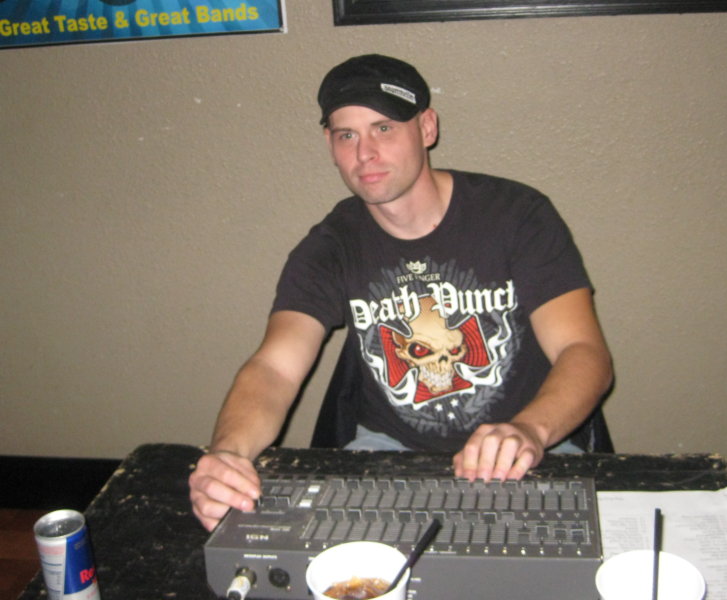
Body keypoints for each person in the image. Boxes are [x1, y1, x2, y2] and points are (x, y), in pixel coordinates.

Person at [189, 54, 613, 532]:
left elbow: (584, 352)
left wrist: (529, 429)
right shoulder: (331, 246)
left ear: (427, 127)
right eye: (346, 135)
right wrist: (227, 455)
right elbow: (274, 368)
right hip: (387, 454)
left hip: (531, 449)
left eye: (384, 128)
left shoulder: (518, 216)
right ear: (329, 144)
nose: (365, 153)